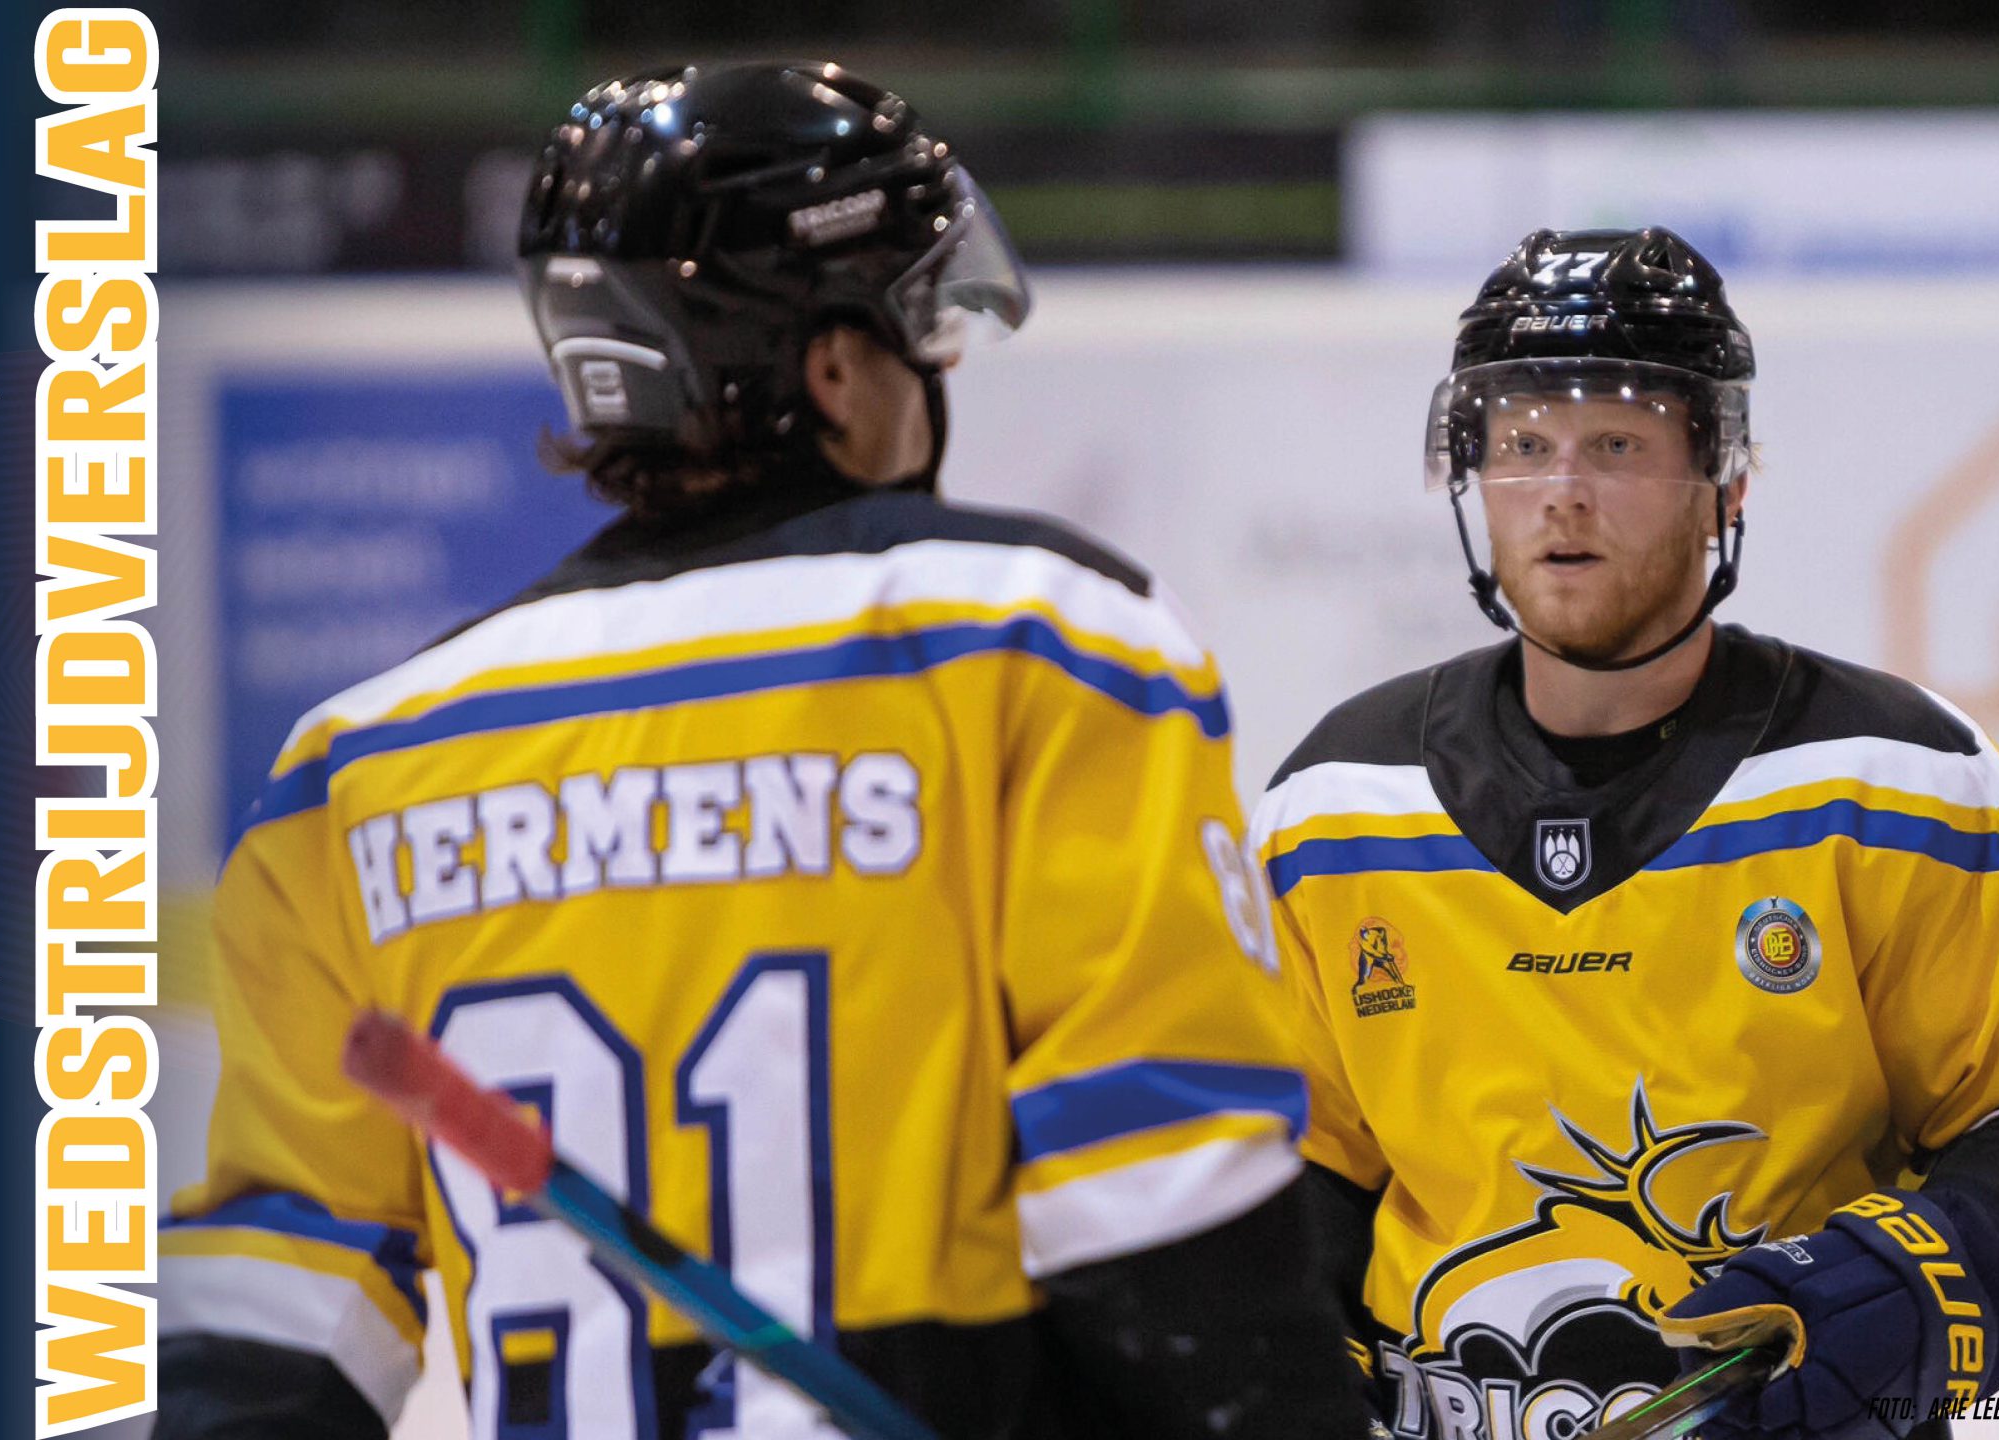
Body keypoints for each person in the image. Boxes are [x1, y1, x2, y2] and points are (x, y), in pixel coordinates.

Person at [156, 61, 1359, 1440]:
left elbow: (264, 1352)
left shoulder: (353, 774)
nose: (934, 374)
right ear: (836, 370)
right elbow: (1163, 1205)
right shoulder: (1028, 642)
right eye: (921, 331)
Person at [1252, 227, 1999, 1440]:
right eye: (1523, 446)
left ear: (1722, 479)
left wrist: (1908, 1302)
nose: (1561, 490)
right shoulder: (1339, 805)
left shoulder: (1903, 788)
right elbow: (1290, 1156)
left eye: (1616, 444)